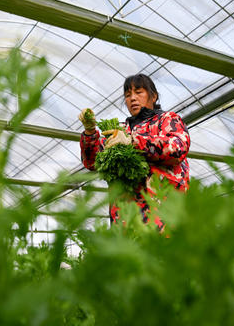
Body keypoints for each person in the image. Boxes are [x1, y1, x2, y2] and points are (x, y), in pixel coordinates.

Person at [79, 73, 190, 229]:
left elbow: (177, 148)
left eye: (139, 92)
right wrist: (90, 132)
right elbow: (92, 162)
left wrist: (133, 141)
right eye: (127, 95)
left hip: (161, 217)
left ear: (154, 96)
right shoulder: (119, 130)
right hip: (124, 220)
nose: (132, 98)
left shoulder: (167, 120)